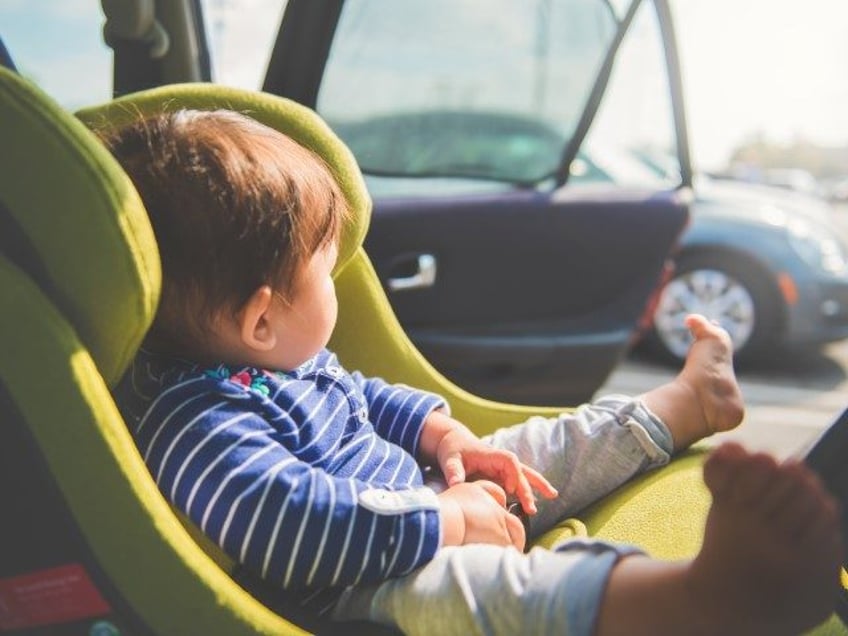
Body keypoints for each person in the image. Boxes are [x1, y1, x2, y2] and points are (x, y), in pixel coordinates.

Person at [102, 109, 843, 636]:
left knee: (543, 448)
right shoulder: (195, 419)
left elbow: (363, 397)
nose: (340, 285)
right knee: (494, 597)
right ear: (260, 319)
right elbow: (281, 525)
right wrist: (445, 523)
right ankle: (699, 599)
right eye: (326, 272)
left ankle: (684, 404)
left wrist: (441, 434)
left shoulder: (275, 361)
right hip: (360, 589)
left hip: (423, 497)